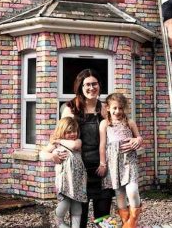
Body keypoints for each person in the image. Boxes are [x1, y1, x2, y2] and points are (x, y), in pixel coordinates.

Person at [55, 69, 141, 227]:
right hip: (78, 170)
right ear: (80, 87)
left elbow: (124, 128)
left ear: (99, 86)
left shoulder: (105, 108)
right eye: (87, 84)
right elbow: (59, 136)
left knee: (103, 219)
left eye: (94, 84)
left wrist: (137, 140)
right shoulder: (70, 109)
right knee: (79, 218)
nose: (91, 88)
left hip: (103, 169)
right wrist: (56, 151)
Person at [98, 93, 144, 228]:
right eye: (115, 108)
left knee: (133, 191)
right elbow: (102, 145)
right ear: (107, 108)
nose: (118, 111)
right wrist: (102, 163)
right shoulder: (104, 124)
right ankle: (126, 223)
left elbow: (139, 138)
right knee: (120, 194)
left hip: (129, 161)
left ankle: (133, 220)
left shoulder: (130, 122)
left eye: (121, 108)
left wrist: (138, 140)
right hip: (113, 163)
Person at [40, 117, 87, 228]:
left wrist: (59, 140)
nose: (72, 134)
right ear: (62, 131)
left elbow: (74, 146)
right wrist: (52, 156)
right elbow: (42, 154)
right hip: (64, 181)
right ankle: (59, 221)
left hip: (78, 181)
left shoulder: (77, 142)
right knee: (64, 203)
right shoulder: (55, 145)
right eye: (68, 131)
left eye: (74, 131)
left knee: (77, 206)